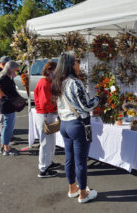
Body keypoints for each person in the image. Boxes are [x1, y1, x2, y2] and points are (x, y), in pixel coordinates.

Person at [51, 51, 104, 203]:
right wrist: (98, 98)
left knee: (69, 159)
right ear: (71, 64)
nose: (79, 64)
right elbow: (86, 106)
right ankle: (83, 194)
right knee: (81, 162)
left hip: (65, 125)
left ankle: (72, 188)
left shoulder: (58, 81)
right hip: (77, 125)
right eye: (77, 61)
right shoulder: (74, 82)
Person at [34, 61, 61, 178]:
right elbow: (45, 103)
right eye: (56, 71)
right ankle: (44, 168)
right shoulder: (44, 83)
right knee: (46, 142)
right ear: (50, 71)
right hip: (45, 114)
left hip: (46, 114)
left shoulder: (45, 81)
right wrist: (55, 107)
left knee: (50, 141)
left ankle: (48, 162)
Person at [0, 60, 20, 156]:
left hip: (4, 104)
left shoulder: (3, 75)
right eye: (15, 70)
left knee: (6, 126)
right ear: (11, 69)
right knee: (8, 127)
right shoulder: (4, 78)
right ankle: (6, 149)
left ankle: (3, 146)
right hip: (6, 104)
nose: (16, 72)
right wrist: (2, 93)